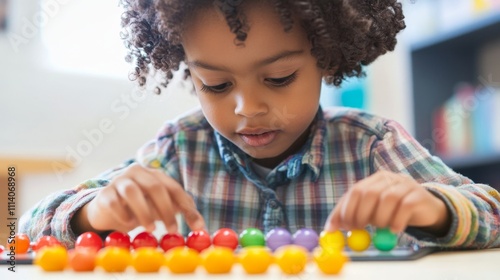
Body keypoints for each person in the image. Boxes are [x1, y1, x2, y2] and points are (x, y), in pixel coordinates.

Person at [20, 0, 500, 250]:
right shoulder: (178, 151)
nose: (247, 108)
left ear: (327, 61)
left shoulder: (373, 147)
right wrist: (94, 214)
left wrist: (435, 207)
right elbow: (31, 224)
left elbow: (491, 215)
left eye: (279, 78)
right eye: (216, 85)